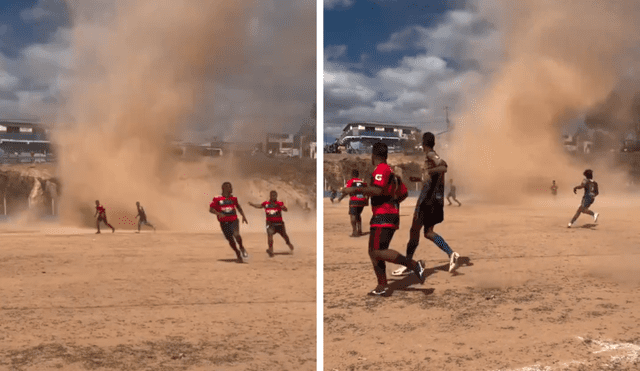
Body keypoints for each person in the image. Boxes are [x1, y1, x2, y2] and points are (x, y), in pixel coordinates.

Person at [342, 142, 425, 297]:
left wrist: (355, 189)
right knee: (374, 251)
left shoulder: (381, 169)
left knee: (377, 251)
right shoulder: (393, 174)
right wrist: (393, 203)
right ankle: (382, 286)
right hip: (388, 214)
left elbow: (377, 190)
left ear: (374, 156)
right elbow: (404, 193)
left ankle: (413, 265)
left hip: (383, 215)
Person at [393, 132, 460, 276]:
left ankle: (408, 263)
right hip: (434, 200)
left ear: (424, 143)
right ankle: (451, 254)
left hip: (427, 201)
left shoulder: (431, 155)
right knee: (428, 232)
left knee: (414, 231)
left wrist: (430, 170)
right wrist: (418, 178)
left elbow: (443, 167)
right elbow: (431, 178)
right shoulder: (429, 157)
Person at [210, 182, 249, 263]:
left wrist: (243, 216)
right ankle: (237, 253)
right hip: (224, 223)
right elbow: (211, 209)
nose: (231, 189)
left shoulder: (234, 198)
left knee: (236, 234)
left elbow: (238, 207)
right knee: (230, 240)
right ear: (224, 189)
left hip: (234, 220)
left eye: (231, 187)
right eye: (229, 188)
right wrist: (218, 213)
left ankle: (241, 247)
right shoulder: (217, 198)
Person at [248, 190, 295, 257]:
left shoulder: (279, 203)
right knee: (270, 236)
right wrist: (252, 204)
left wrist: (282, 207)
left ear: (276, 196)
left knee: (285, 236)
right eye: (272, 195)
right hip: (270, 224)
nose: (273, 197)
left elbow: (286, 209)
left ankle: (290, 245)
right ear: (270, 196)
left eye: (274, 196)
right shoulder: (266, 203)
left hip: (279, 224)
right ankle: (271, 250)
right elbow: (259, 206)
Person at [338, 169, 369, 237]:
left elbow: (346, 191)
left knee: (353, 215)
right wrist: (366, 200)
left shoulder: (350, 181)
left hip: (354, 200)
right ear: (358, 175)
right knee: (358, 214)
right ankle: (360, 230)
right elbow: (367, 191)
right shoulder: (362, 182)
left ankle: (355, 231)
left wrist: (340, 198)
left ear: (352, 175)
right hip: (362, 200)